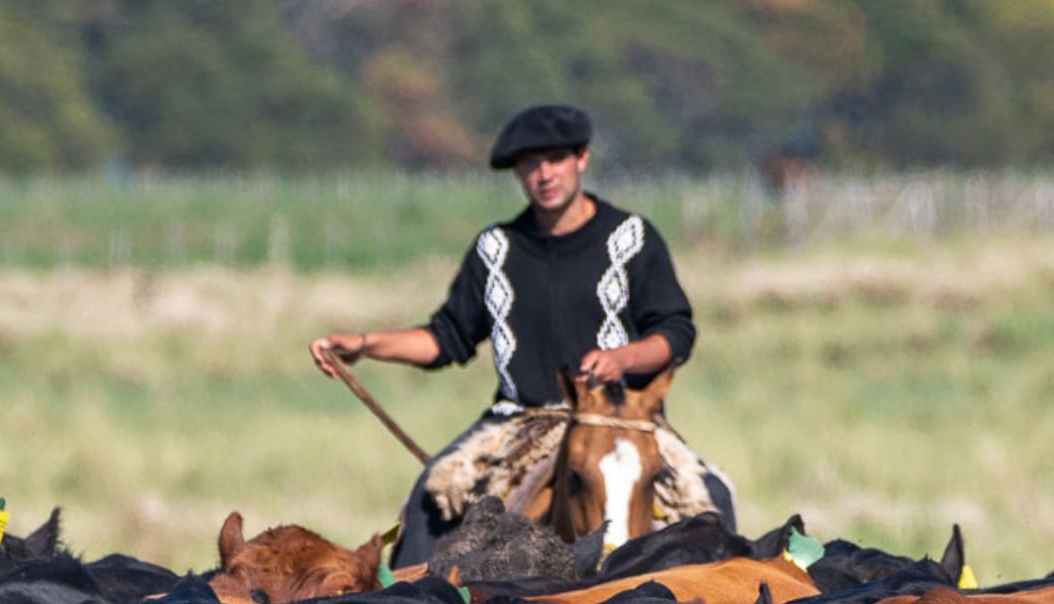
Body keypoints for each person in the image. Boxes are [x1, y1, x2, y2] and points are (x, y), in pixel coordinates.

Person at [310, 103, 735, 564]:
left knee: (711, 499)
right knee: (431, 495)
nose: (543, 174)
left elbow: (675, 332)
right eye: (529, 165)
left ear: (581, 159)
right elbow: (445, 337)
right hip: (518, 422)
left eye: (554, 159)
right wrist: (365, 345)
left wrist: (623, 359)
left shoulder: (631, 237)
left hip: (617, 421)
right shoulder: (496, 248)